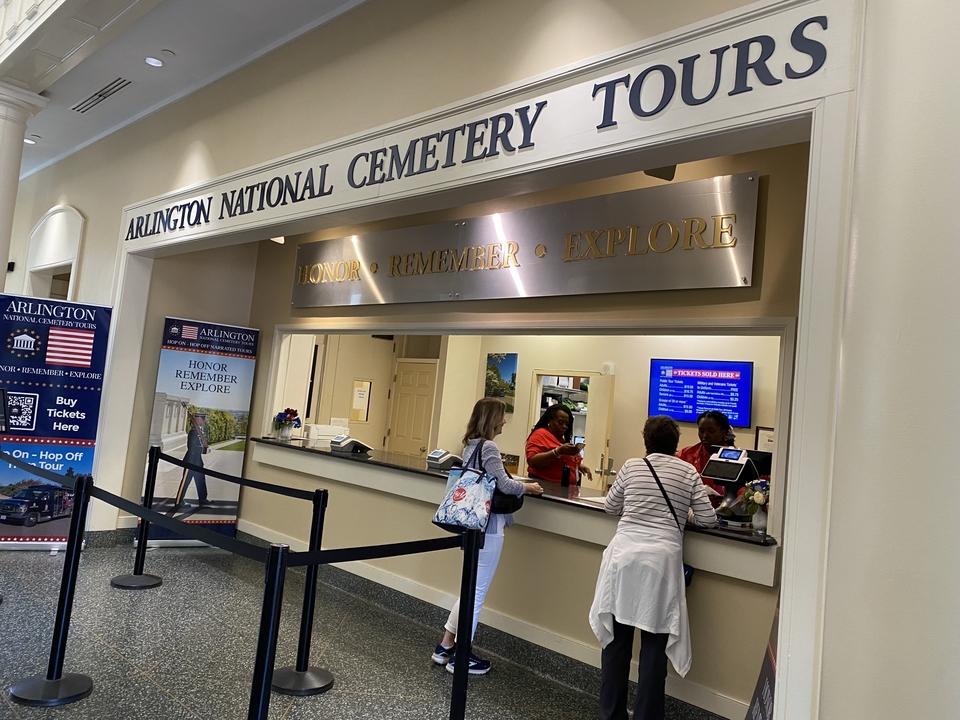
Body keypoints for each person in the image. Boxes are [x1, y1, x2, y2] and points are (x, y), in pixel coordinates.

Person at [589, 415, 717, 720]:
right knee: (654, 647)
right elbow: (710, 519)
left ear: (646, 440)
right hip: (660, 565)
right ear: (675, 444)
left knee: (617, 644)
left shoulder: (632, 466)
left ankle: (611, 714)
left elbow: (610, 506)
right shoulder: (688, 472)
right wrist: (684, 513)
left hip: (622, 560)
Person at [432, 397, 543, 675]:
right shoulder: (489, 446)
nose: (505, 421)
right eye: (502, 417)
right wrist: (529, 488)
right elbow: (503, 484)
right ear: (492, 419)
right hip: (488, 529)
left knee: (469, 588)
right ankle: (461, 656)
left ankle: (446, 645)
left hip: (473, 527)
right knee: (476, 593)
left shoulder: (470, 444)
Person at [525, 404, 593, 483]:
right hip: (545, 487)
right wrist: (558, 452)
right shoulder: (540, 434)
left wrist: (578, 465)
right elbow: (532, 461)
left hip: (564, 490)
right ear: (550, 420)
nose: (564, 426)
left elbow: (558, 461)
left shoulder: (560, 439)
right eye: (560, 422)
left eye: (567, 424)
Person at [677, 410, 734, 501]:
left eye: (711, 431)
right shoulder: (685, 454)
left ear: (723, 432)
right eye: (701, 431)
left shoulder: (734, 457)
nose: (705, 435)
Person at [175, 412, 209, 509]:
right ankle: (179, 501)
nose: (204, 421)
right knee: (186, 481)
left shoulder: (198, 431)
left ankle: (203, 500)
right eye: (203, 419)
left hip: (197, 461)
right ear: (198, 420)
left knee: (201, 480)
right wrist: (204, 450)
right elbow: (192, 447)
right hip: (191, 461)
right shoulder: (193, 432)